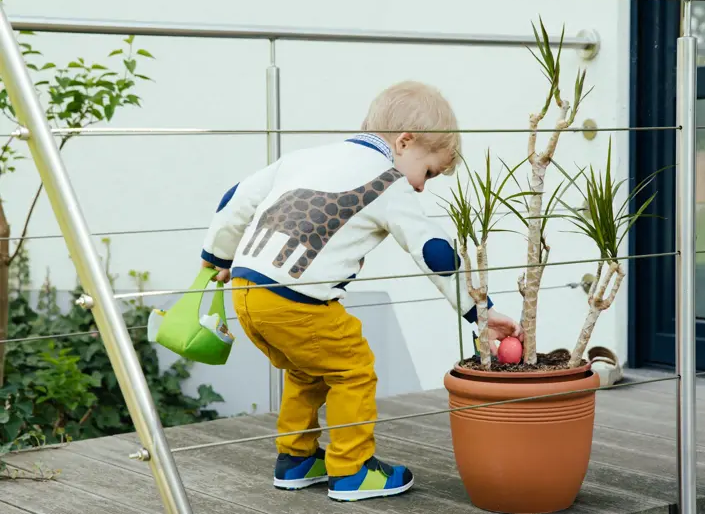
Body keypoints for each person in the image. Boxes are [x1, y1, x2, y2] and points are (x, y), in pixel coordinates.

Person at [199, 80, 522, 502]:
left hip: (246, 290)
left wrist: (216, 256)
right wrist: (479, 312)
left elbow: (234, 200)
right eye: (428, 172)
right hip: (298, 301)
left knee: (307, 368)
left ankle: (296, 459)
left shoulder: (305, 157)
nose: (423, 186)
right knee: (352, 369)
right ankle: (352, 470)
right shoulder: (389, 181)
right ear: (404, 142)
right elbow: (435, 252)